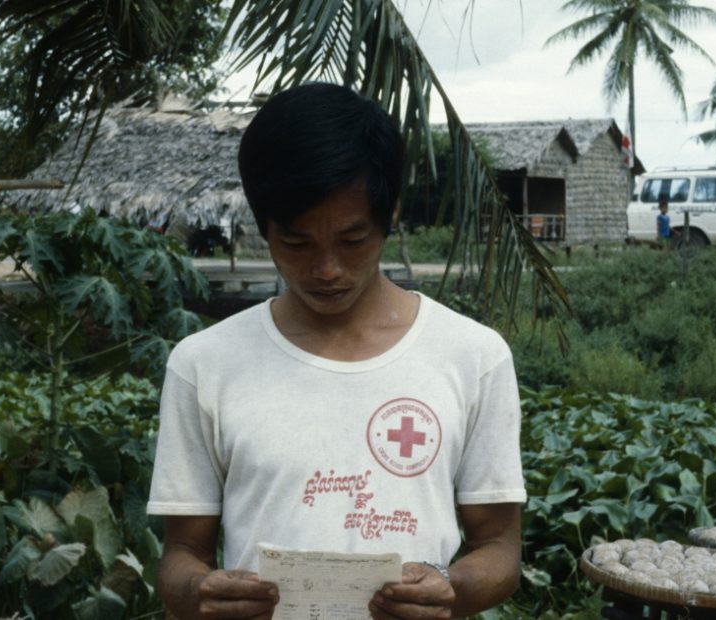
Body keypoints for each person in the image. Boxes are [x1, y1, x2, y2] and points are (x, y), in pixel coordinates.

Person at [148, 82, 526, 620]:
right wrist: (198, 592)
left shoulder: (472, 355)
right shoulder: (204, 364)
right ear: (262, 224)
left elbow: (501, 549)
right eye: (297, 243)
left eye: (353, 240)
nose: (327, 269)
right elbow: (183, 554)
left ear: (390, 214)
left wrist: (452, 586)